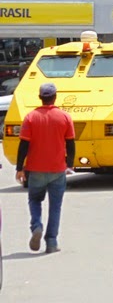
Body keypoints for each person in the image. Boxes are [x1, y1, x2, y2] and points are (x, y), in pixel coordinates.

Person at [15, 83, 75, 254]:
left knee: (35, 200)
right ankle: (52, 242)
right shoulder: (65, 117)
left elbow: (23, 145)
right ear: (55, 97)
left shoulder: (31, 118)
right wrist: (69, 164)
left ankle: (36, 226)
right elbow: (70, 143)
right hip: (57, 170)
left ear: (40, 97)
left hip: (36, 170)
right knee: (55, 206)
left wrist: (19, 168)